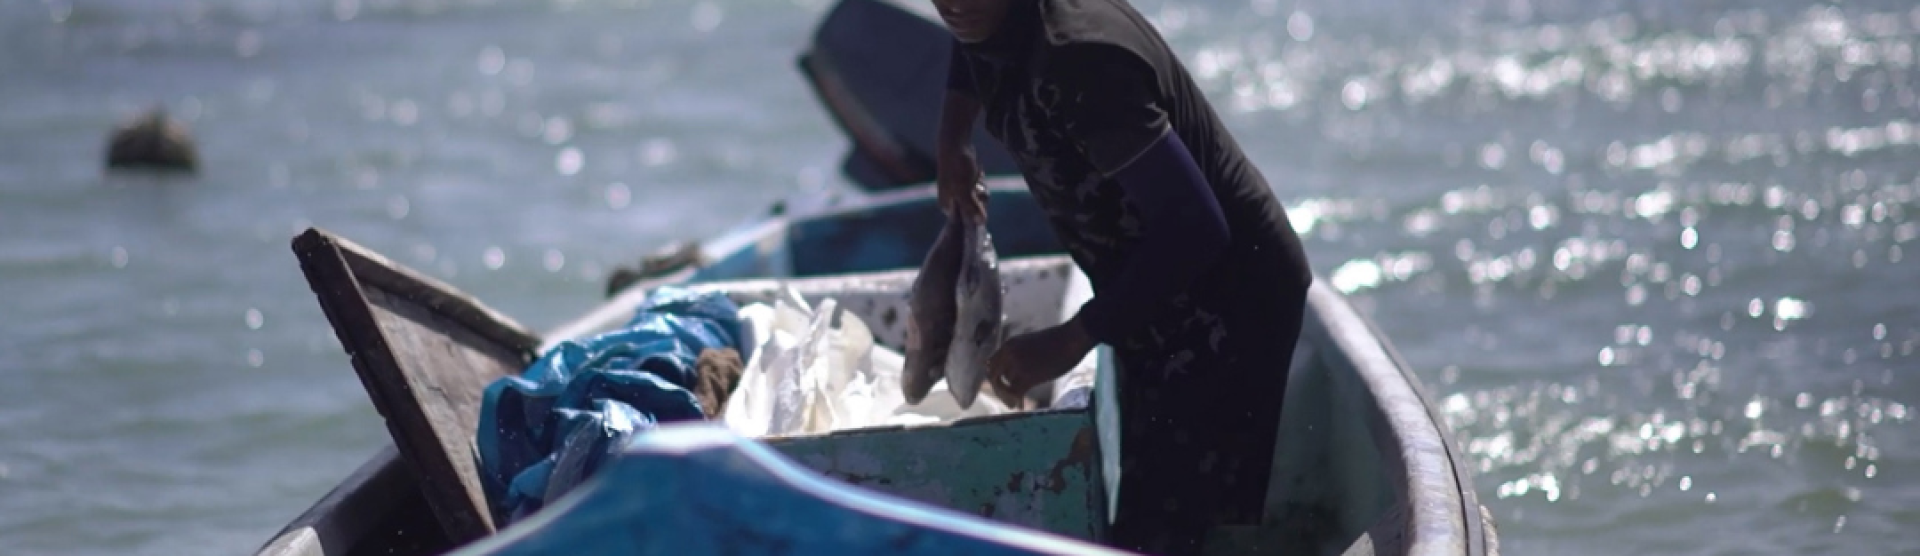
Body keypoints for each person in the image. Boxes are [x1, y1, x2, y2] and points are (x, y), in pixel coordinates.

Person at [928, 0, 1315, 553]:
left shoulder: (1081, 62)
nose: (953, 5)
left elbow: (1196, 226)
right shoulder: (989, 15)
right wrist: (952, 137)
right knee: (1151, 500)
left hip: (1228, 302)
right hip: (1152, 294)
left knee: (1165, 525)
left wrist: (1073, 336)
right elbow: (969, 37)